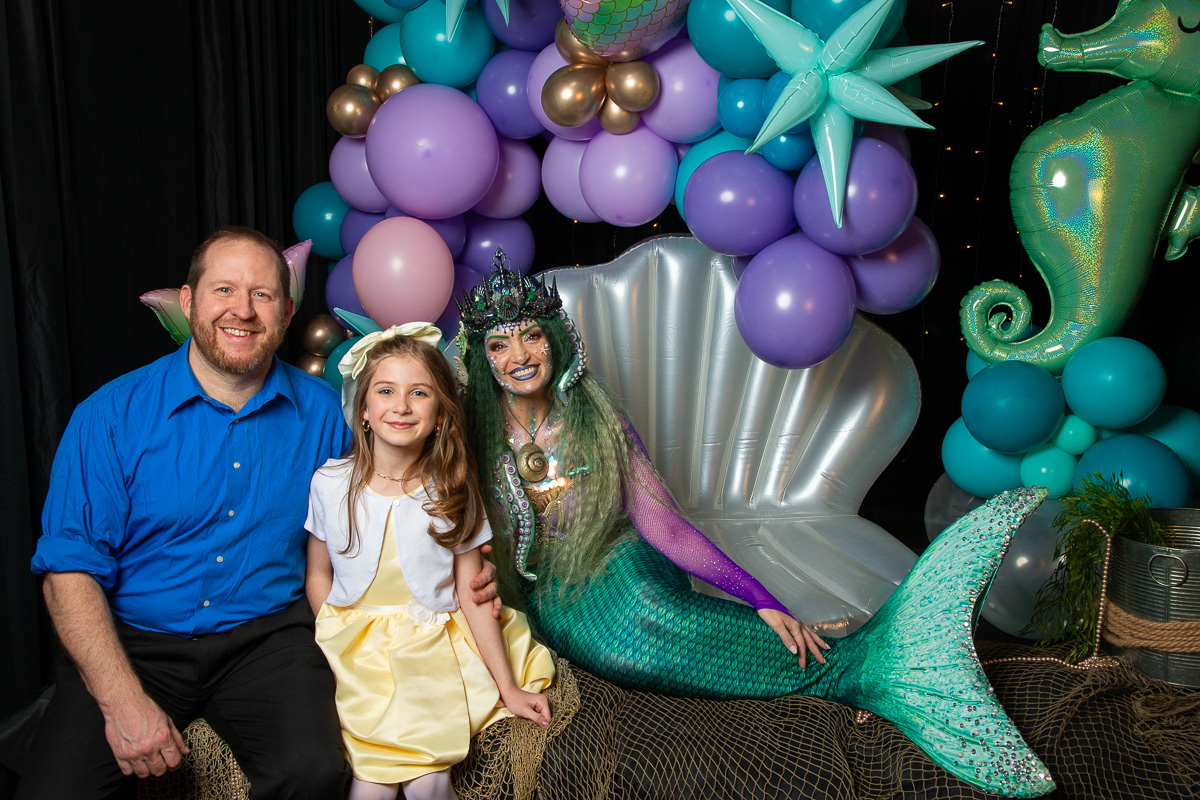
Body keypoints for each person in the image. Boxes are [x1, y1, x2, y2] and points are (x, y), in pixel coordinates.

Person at [456, 260, 1058, 798]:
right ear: (483, 358)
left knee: (650, 606)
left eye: (532, 335)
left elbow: (664, 525)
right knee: (622, 651)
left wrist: (762, 598)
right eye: (499, 344)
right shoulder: (471, 438)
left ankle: (862, 664)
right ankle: (865, 666)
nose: (520, 356)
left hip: (624, 558)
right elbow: (459, 533)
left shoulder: (598, 417)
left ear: (556, 338)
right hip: (555, 595)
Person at [19, 227, 501, 799]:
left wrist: (462, 566)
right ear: (189, 301)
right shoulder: (108, 416)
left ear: (287, 312)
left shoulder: (326, 414)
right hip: (136, 641)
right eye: (224, 289)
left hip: (267, 640)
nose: (243, 311)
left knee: (315, 771)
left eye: (263, 295)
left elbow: (386, 504)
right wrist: (122, 700)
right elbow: (68, 572)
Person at [305, 324, 554, 800]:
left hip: (431, 646)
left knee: (429, 783)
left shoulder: (453, 490)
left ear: (439, 415)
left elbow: (471, 591)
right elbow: (319, 574)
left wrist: (508, 687)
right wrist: (331, 640)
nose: (401, 406)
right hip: (359, 653)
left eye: (418, 393)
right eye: (385, 391)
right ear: (363, 410)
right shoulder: (329, 483)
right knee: (370, 790)